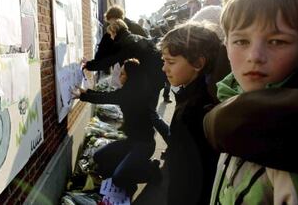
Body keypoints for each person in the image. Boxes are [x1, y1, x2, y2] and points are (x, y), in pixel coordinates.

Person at [208, 0, 298, 204]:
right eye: (241, 41)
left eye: (277, 41)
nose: (255, 57)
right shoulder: (234, 104)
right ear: (226, 44)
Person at [73, 58, 161, 197]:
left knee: (118, 178)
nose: (119, 76)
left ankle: (151, 170)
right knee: (99, 157)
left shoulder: (132, 94)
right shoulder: (132, 90)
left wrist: (84, 96)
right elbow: (108, 96)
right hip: (130, 141)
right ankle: (128, 174)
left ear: (131, 77)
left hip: (144, 145)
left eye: (123, 74)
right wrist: (85, 94)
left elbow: (106, 97)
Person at [159, 21, 221, 204]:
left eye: (171, 62)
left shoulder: (194, 111)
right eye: (164, 61)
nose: (164, 68)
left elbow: (189, 178)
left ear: (198, 63)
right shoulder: (196, 98)